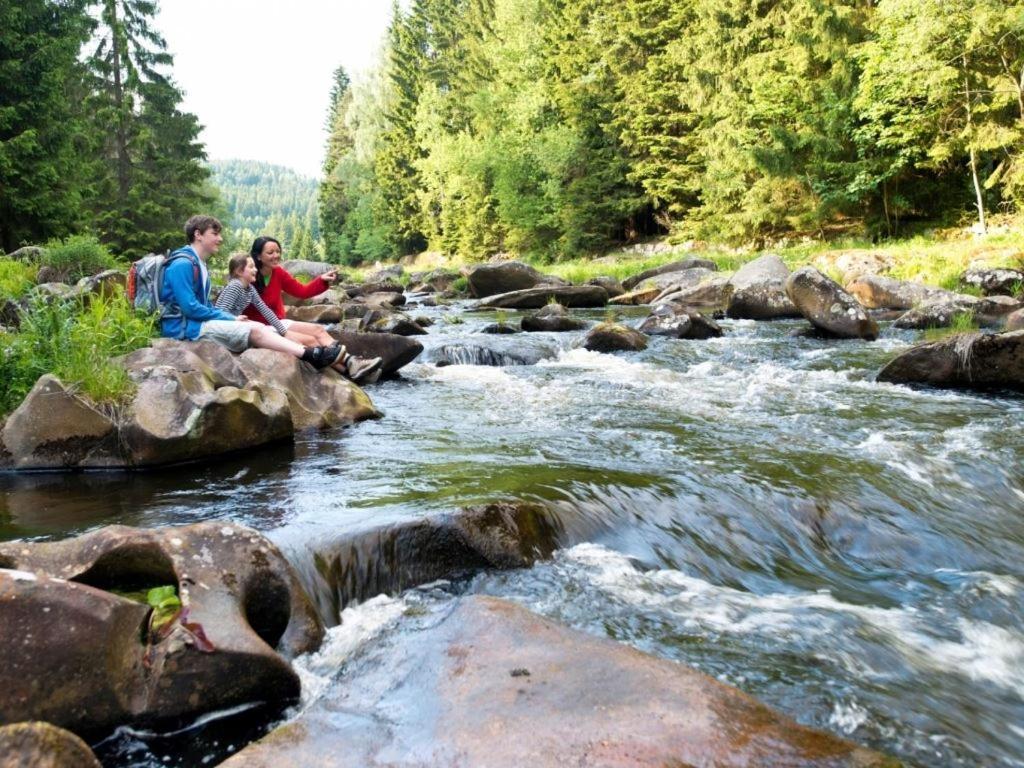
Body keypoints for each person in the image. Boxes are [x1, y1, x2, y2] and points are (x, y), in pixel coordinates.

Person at [159, 215, 341, 370]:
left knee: (263, 328)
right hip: (184, 328)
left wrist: (321, 282)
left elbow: (298, 292)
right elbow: (190, 308)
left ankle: (335, 359)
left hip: (197, 323)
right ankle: (310, 355)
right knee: (254, 329)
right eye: (214, 234)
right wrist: (230, 318)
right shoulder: (182, 264)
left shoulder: (199, 264)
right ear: (198, 235)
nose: (220, 239)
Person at [216, 253, 381, 381]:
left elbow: (265, 309)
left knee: (313, 336)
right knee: (306, 341)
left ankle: (351, 369)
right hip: (235, 329)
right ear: (239, 271)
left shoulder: (249, 288)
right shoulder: (235, 286)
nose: (255, 270)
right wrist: (237, 320)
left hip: (253, 326)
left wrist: (282, 330)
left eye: (254, 266)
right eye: (250, 267)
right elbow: (220, 312)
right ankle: (350, 369)